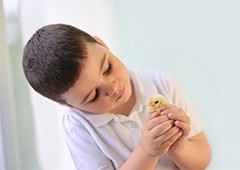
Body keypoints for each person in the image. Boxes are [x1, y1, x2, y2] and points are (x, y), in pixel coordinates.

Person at [22, 23, 211, 170]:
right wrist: (147, 151)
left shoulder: (162, 84)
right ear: (69, 106)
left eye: (108, 68)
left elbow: (201, 161)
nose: (111, 88)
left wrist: (179, 148)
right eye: (93, 95)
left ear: (103, 44)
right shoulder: (77, 126)